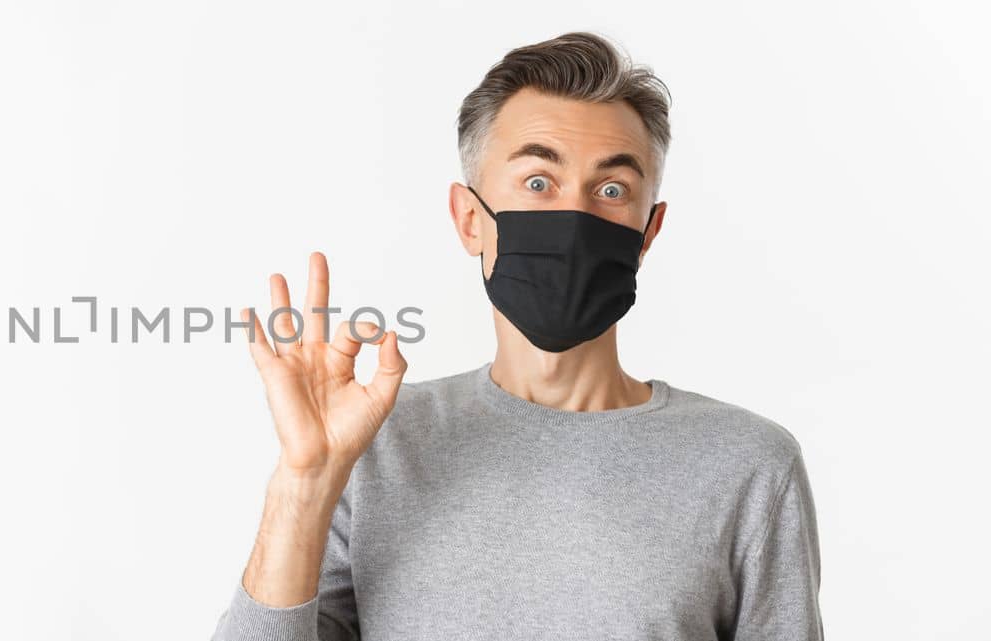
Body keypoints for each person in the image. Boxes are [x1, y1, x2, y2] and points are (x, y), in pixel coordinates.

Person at [211, 32, 822, 640]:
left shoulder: (747, 465)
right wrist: (305, 481)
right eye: (537, 182)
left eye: (612, 190)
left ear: (649, 231)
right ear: (470, 219)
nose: (575, 218)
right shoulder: (378, 446)